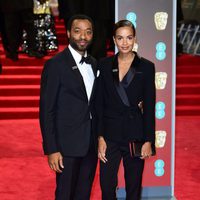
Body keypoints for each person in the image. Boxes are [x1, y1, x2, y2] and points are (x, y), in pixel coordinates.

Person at [39, 14, 98, 200]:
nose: (83, 36)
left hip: (90, 145)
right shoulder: (55, 65)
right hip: (66, 147)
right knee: (65, 195)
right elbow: (47, 110)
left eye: (88, 32)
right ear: (68, 33)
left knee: (84, 194)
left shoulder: (94, 63)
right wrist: (52, 149)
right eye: (78, 31)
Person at [96, 20, 156, 200]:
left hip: (135, 135)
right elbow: (99, 104)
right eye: (120, 38)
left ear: (135, 39)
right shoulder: (104, 65)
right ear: (114, 39)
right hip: (109, 135)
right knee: (106, 186)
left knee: (133, 187)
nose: (124, 43)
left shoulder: (146, 67)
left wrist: (148, 140)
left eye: (129, 38)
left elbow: (150, 106)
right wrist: (100, 136)